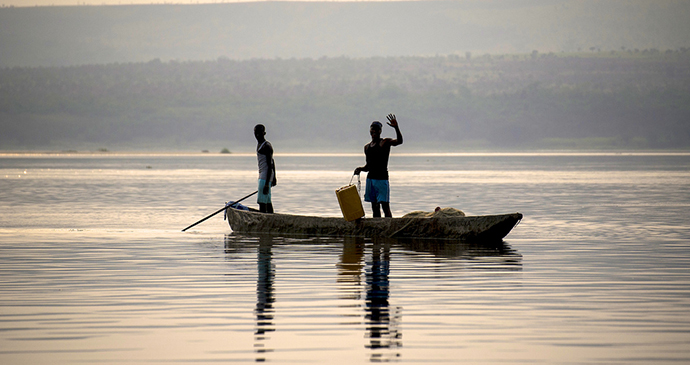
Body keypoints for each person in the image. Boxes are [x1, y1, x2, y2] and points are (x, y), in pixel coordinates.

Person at [354, 114, 403, 218]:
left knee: (385, 206)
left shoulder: (384, 142)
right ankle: (377, 229)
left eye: (377, 129)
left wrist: (396, 127)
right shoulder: (367, 147)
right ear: (370, 131)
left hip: (381, 179)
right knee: (374, 207)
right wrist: (360, 169)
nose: (374, 131)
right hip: (370, 179)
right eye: (373, 129)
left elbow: (399, 141)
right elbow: (368, 166)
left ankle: (389, 227)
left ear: (380, 131)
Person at [254, 124, 277, 213]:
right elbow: (273, 161)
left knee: (262, 202)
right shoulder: (259, 144)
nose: (257, 135)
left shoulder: (266, 146)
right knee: (267, 201)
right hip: (263, 176)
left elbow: (270, 164)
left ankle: (263, 222)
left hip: (265, 177)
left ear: (264, 133)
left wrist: (268, 183)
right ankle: (272, 220)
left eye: (259, 133)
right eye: (256, 133)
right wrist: (273, 178)